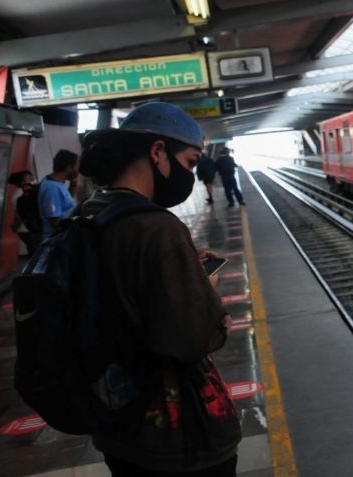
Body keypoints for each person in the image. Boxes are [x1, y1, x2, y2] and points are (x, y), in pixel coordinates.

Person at [78, 101, 241, 476]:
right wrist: (203, 287)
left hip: (119, 423)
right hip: (176, 433)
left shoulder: (92, 213)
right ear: (157, 152)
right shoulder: (156, 227)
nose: (191, 173)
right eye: (189, 161)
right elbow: (192, 337)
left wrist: (179, 270)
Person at [37, 149, 79, 240]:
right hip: (56, 241)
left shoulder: (57, 184)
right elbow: (54, 220)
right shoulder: (52, 188)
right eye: (77, 166)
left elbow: (64, 204)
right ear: (69, 167)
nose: (78, 170)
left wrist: (73, 185)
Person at [7, 170, 42, 255]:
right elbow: (20, 215)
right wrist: (15, 227)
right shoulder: (20, 195)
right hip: (28, 230)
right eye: (30, 179)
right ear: (22, 182)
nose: (33, 180)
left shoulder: (30, 193)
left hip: (30, 230)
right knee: (36, 255)